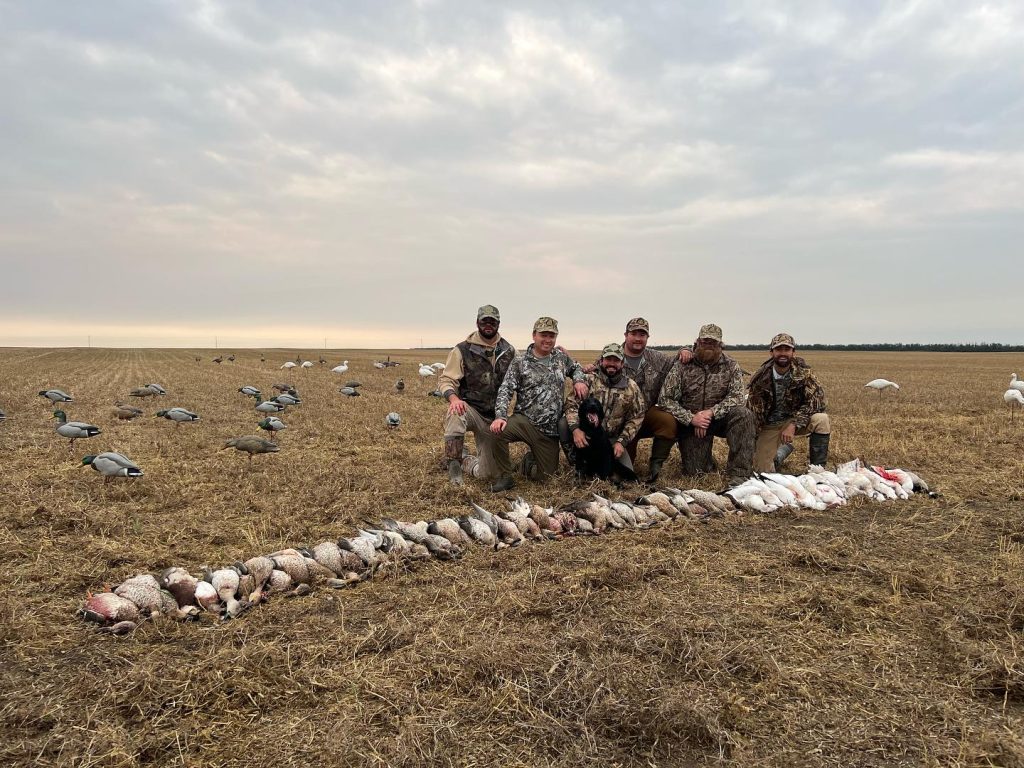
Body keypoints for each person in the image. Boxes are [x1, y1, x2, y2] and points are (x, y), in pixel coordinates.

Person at [489, 317, 588, 492]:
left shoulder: (561, 358)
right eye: (544, 335)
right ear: (534, 335)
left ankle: (528, 462)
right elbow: (506, 389)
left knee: (546, 479)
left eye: (552, 335)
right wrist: (500, 416)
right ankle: (505, 477)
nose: (548, 340)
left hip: (549, 431)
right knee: (497, 432)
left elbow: (577, 368)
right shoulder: (520, 362)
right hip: (525, 421)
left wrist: (579, 380)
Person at [657, 323, 755, 486]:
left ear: (721, 345)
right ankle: (707, 461)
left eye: (713, 343)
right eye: (705, 342)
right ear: (697, 342)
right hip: (691, 421)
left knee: (744, 415)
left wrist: (710, 413)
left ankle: (740, 473)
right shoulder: (683, 365)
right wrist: (691, 418)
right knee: (696, 472)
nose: (709, 346)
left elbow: (737, 397)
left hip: (720, 418)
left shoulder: (731, 365)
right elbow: (665, 399)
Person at [438, 305, 516, 485]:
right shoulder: (462, 350)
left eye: (493, 321)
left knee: (487, 474)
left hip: (494, 418)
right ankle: (454, 465)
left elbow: (523, 375)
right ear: (477, 322)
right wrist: (454, 398)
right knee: (456, 412)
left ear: (498, 324)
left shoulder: (509, 351)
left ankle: (465, 459)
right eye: (484, 321)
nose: (488, 324)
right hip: (471, 409)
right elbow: (446, 380)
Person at [747, 333, 830, 472]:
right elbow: (754, 414)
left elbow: (817, 402)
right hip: (770, 425)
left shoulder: (805, 373)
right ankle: (782, 452)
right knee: (762, 471)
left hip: (795, 420)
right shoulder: (760, 378)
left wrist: (794, 424)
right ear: (771, 352)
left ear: (793, 352)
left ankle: (818, 470)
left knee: (821, 420)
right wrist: (754, 443)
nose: (783, 353)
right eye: (779, 349)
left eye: (787, 349)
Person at [565, 342, 646, 481]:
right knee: (562, 423)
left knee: (624, 477)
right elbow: (571, 405)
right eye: (608, 359)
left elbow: (637, 417)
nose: (612, 364)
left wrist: (621, 441)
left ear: (622, 363)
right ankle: (576, 462)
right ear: (601, 361)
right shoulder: (589, 380)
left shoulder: (631, 387)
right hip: (588, 436)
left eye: (616, 360)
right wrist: (576, 429)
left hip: (612, 440)